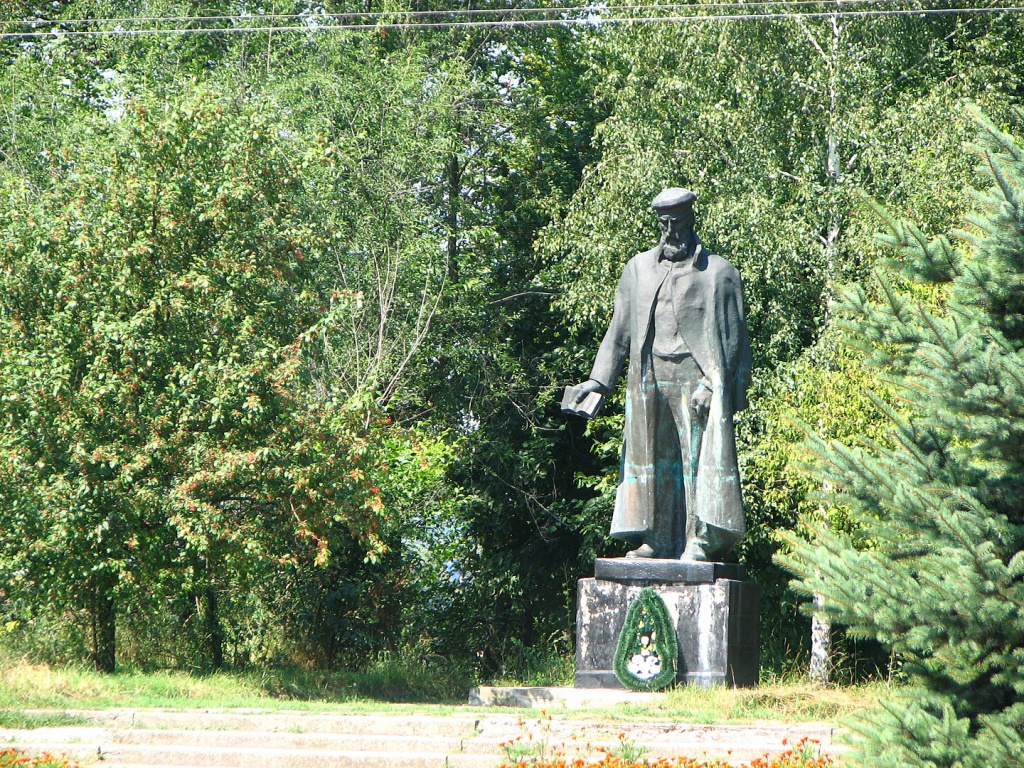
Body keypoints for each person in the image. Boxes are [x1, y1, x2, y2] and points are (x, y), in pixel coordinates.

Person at [572, 188, 752, 561]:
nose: (670, 231)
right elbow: (619, 329)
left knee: (697, 460)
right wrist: (597, 381)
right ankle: (655, 538)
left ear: (691, 221)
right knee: (653, 458)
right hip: (650, 374)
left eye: (678, 222)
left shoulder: (718, 272)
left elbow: (734, 337)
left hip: (695, 375)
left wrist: (711, 382)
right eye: (664, 223)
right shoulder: (638, 269)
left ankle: (699, 540)